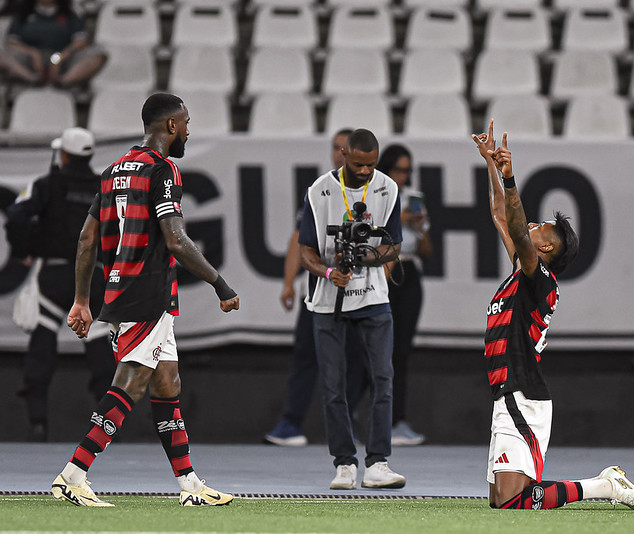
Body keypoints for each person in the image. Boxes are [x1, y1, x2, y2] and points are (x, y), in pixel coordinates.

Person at [50, 93, 240, 508]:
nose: (188, 129)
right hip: (146, 291)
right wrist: (220, 284)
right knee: (132, 381)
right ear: (171, 126)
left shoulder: (114, 169)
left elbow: (87, 238)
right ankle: (73, 473)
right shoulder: (163, 169)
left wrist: (82, 300)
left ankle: (190, 485)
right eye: (186, 122)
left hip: (122, 288)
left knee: (167, 381)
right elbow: (175, 239)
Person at [472, 121, 634, 511]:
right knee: (499, 501)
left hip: (522, 392)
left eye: (539, 227)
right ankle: (602, 485)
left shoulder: (541, 280)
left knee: (509, 502)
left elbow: (517, 227)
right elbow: (501, 214)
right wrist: (490, 163)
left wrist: (511, 177)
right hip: (509, 393)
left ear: (547, 245)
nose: (531, 226)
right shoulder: (523, 273)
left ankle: (604, 486)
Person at [299, 128, 405, 490]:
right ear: (343, 154)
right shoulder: (319, 191)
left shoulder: (388, 188)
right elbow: (306, 253)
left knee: (383, 379)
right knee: (333, 385)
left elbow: (395, 246)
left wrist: (369, 257)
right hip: (327, 301)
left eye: (371, 165)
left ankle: (377, 463)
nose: (365, 171)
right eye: (359, 164)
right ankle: (344, 463)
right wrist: (330, 271)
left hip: (374, 298)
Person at [4, 127, 115, 443]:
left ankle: (38, 422)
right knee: (100, 353)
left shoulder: (46, 185)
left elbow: (15, 217)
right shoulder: (103, 189)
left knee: (42, 345)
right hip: (92, 279)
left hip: (53, 275)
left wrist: (25, 249)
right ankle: (109, 428)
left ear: (63, 154)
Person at [264, 128, 370, 447]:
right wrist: (287, 283)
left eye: (345, 149)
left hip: (358, 287)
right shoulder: (318, 191)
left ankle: (345, 422)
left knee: (357, 357)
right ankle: (290, 422)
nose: (340, 154)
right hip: (320, 285)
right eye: (336, 149)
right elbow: (299, 239)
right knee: (306, 354)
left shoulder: (374, 190)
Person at [376, 144, 431, 447]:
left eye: (407, 170)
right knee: (377, 348)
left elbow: (428, 252)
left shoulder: (413, 199)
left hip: (408, 271)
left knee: (401, 351)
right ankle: (374, 418)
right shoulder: (378, 195)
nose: (403, 176)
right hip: (382, 270)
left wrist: (420, 229)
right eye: (398, 169)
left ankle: (396, 420)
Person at [4, 0, 107, 86]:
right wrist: (32, 52)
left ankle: (63, 81)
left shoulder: (69, 14)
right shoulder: (23, 14)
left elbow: (80, 41)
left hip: (63, 58)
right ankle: (33, 79)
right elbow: (12, 42)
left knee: (97, 54)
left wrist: (60, 57)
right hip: (30, 60)